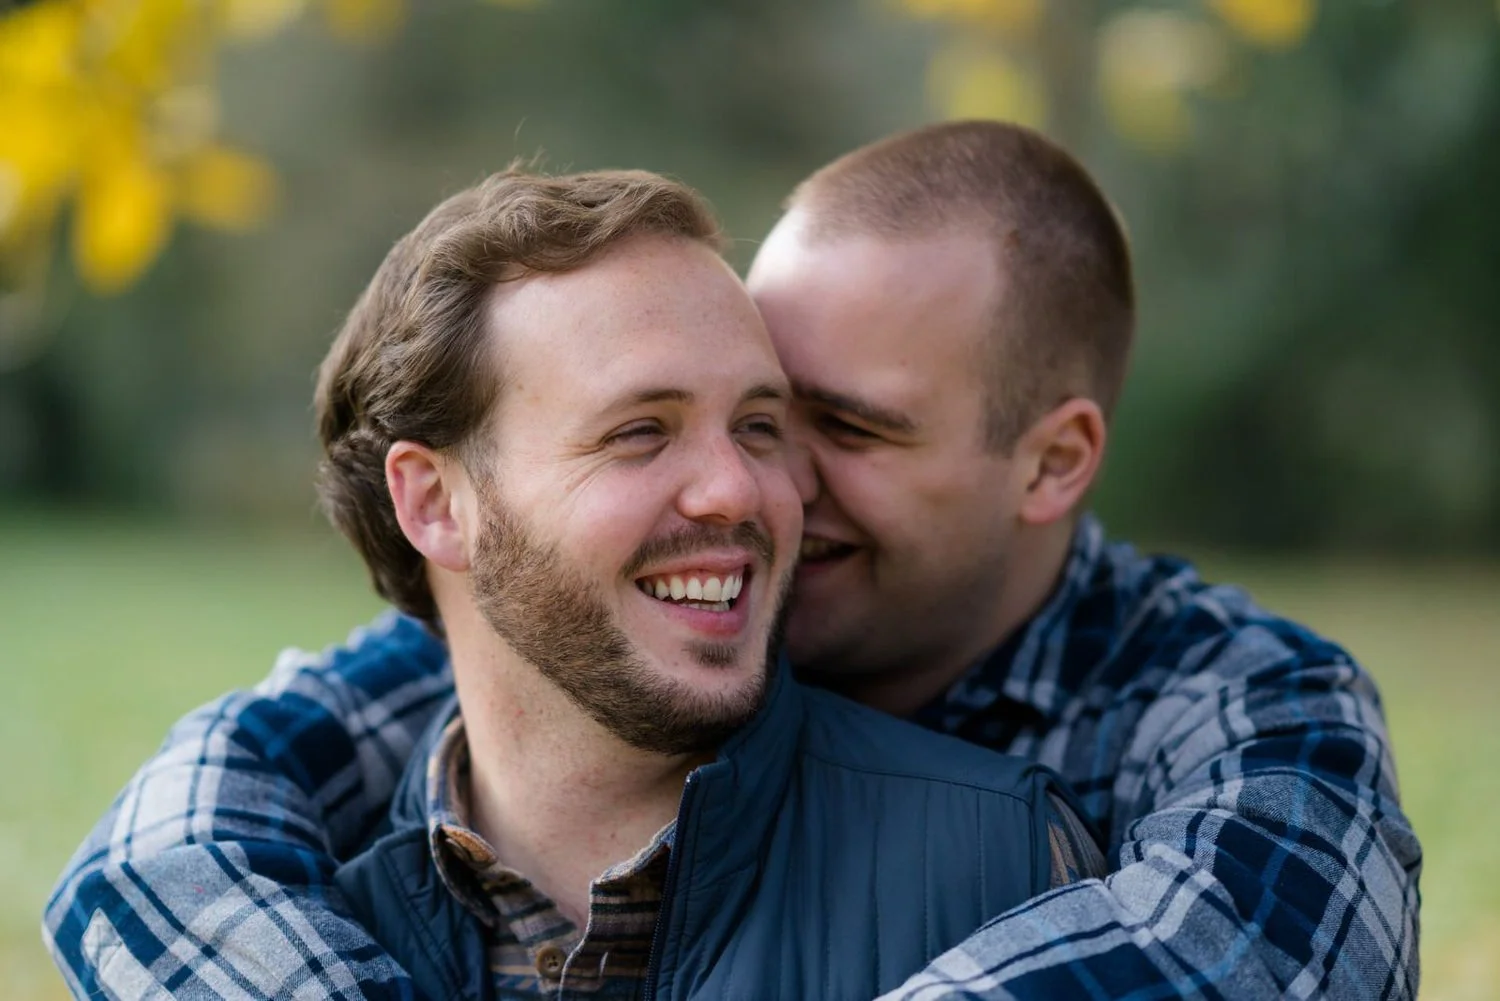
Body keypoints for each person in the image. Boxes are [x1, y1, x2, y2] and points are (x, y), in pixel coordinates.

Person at [46, 121, 1422, 999]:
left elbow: (1245, 957)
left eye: (843, 427)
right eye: (754, 412)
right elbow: (155, 857)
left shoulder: (1232, 705)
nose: (764, 489)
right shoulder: (542, 645)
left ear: (1053, 462)